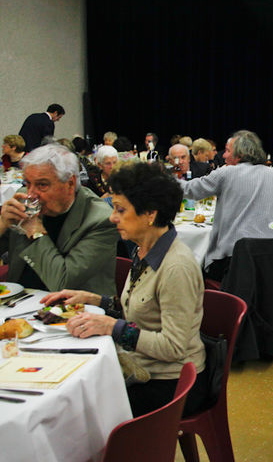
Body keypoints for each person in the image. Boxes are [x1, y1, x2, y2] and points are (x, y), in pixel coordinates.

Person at [40, 162, 208, 418]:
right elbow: (143, 308)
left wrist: (111, 327)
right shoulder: (145, 248)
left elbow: (174, 347)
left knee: (74, 410)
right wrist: (94, 300)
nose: (112, 217)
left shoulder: (176, 267)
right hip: (144, 368)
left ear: (150, 214)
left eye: (120, 210)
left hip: (171, 383)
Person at [0, 143, 118, 294]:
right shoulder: (24, 199)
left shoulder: (101, 220)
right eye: (27, 183)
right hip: (19, 304)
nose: (31, 194)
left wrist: (36, 232)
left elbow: (62, 282)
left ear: (70, 184)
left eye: (42, 185)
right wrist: (2, 223)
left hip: (76, 310)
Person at [179, 130, 273, 281]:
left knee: (192, 272)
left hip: (233, 263)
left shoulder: (226, 173)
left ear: (240, 154)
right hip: (271, 263)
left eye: (228, 151)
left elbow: (190, 190)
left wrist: (160, 179)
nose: (224, 155)